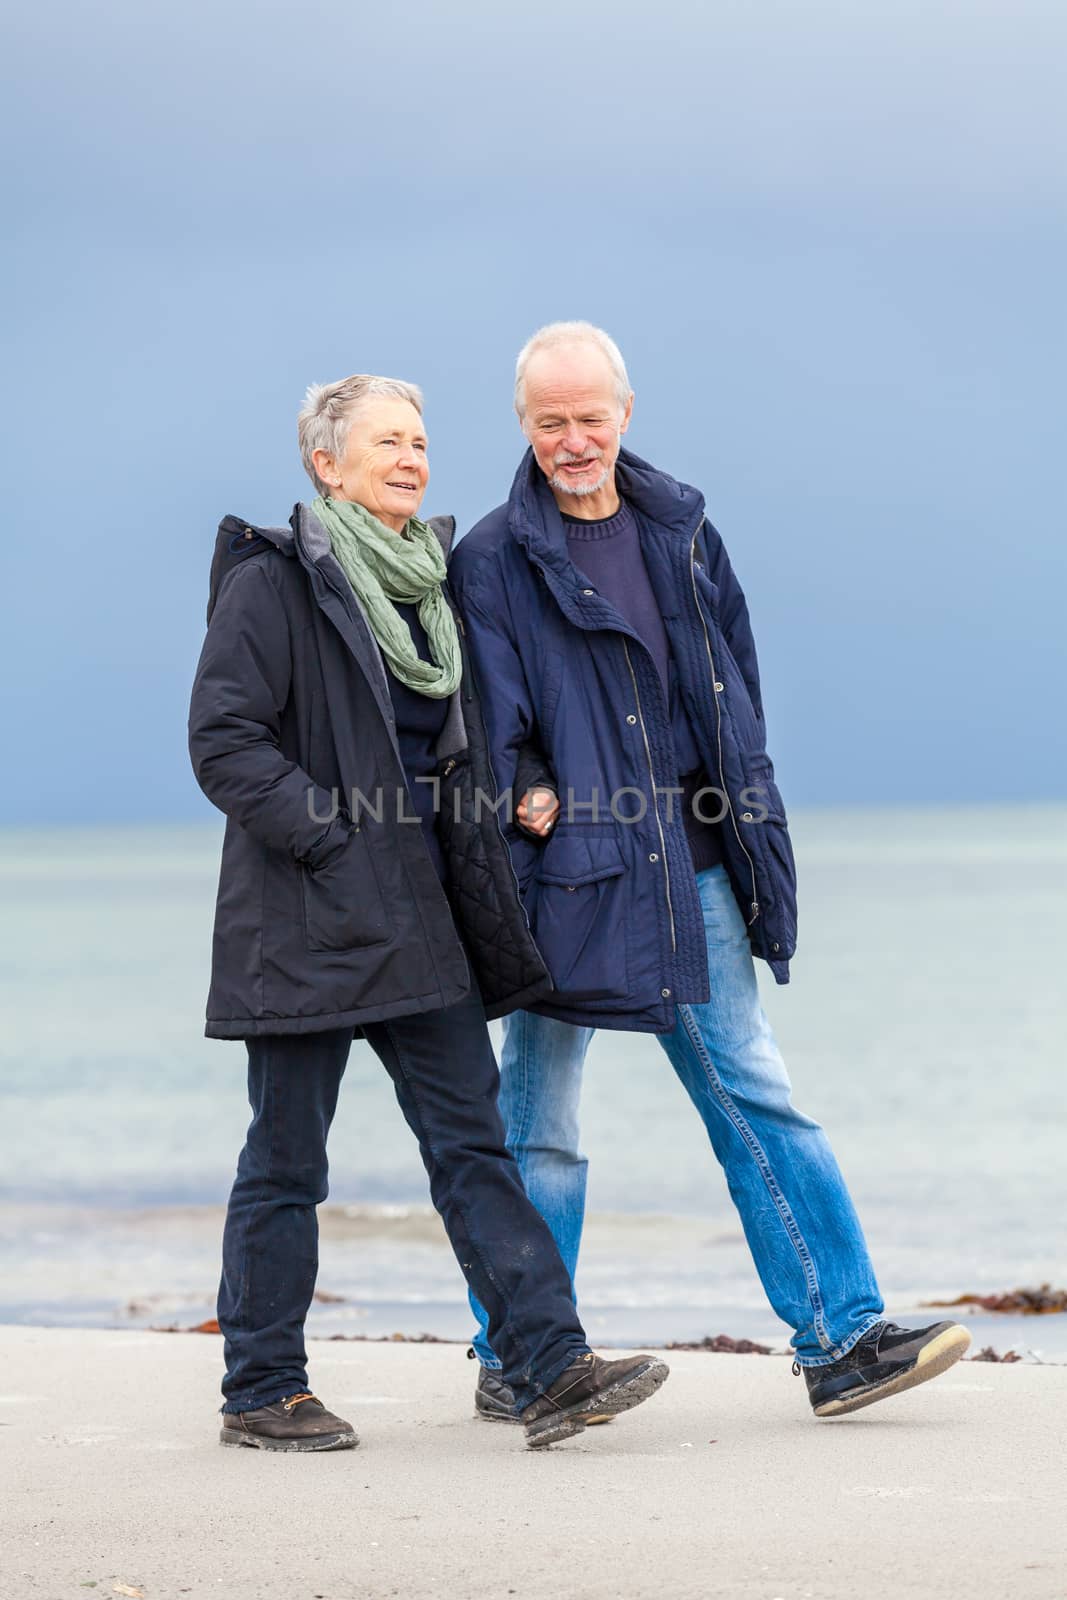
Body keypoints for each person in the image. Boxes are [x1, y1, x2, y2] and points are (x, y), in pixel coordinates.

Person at [449, 322, 970, 1423]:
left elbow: (737, 696)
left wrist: (753, 829)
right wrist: (529, 786)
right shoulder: (492, 557)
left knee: (751, 1096)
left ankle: (840, 1339)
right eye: (552, 423)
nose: (574, 440)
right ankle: (518, 1356)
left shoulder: (681, 529)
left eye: (590, 417)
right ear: (523, 427)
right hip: (566, 881)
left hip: (692, 867)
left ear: (624, 413)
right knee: (535, 1120)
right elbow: (487, 722)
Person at [187, 371, 669, 1452]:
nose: (412, 459)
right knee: (286, 1161)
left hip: (422, 914)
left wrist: (524, 782)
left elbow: (491, 719)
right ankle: (262, 1388)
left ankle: (547, 1365)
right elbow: (223, 742)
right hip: (307, 914)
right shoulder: (273, 583)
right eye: (387, 443)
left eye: (419, 442)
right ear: (326, 463)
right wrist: (330, 835)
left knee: (472, 1147)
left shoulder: (431, 587)